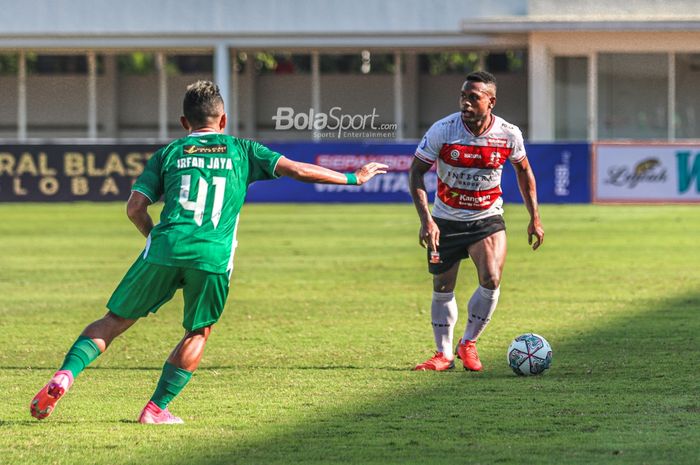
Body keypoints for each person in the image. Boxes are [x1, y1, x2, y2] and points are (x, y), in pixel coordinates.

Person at [30, 80, 387, 424]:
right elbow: (298, 170)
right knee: (198, 331)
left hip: (165, 248)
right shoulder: (243, 150)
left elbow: (134, 208)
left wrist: (157, 239)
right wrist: (353, 178)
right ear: (224, 120)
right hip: (213, 257)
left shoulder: (168, 153)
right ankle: (155, 409)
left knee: (114, 320)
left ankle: (65, 375)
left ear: (185, 123)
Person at [409, 70, 544, 372]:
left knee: (492, 278)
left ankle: (468, 342)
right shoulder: (443, 130)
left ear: (491, 102)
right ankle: (443, 355)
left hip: (487, 217)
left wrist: (535, 217)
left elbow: (524, 172)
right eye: (463, 96)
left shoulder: (508, 134)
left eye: (473, 97)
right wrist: (427, 220)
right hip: (446, 219)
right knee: (443, 285)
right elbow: (416, 171)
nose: (465, 103)